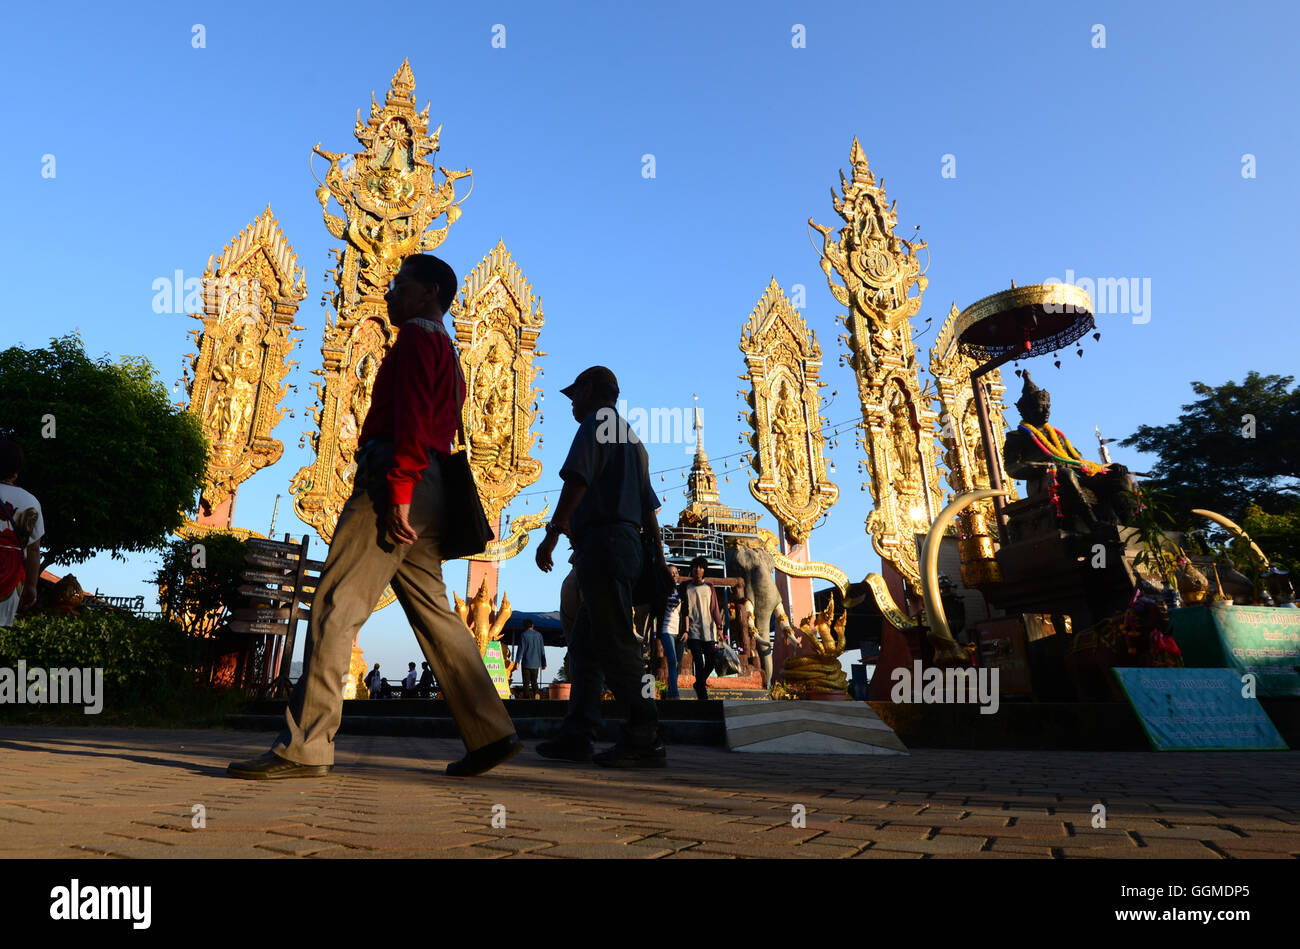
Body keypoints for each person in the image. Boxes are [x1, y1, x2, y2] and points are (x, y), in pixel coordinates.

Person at [228, 253, 522, 780]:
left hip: (395, 480)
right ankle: (492, 730)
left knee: (336, 605)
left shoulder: (414, 339)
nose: (388, 293)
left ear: (428, 292)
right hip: (432, 485)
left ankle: (307, 745)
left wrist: (399, 491)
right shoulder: (450, 351)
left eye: (399, 285)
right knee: (435, 612)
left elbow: (410, 417)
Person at [534, 366, 671, 767]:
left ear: (591, 390)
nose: (572, 403)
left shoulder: (597, 421)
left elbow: (576, 480)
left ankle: (645, 734)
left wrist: (553, 532)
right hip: (626, 545)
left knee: (617, 644)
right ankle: (578, 734)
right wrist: (659, 560)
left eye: (575, 393)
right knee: (586, 648)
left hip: (604, 543)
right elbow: (649, 509)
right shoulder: (632, 438)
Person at [0, 440, 42, 628]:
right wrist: (32, 586)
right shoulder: (30, 502)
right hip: (10, 581)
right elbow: (33, 550)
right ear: (16, 472)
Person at [680, 556, 724, 701]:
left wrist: (719, 627)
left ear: (704, 570)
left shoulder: (709, 586)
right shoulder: (686, 587)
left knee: (711, 661)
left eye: (700, 567)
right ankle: (702, 694)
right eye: (695, 567)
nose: (697, 570)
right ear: (691, 569)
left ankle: (698, 684)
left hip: (708, 630)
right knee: (698, 662)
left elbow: (715, 608)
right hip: (693, 630)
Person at [659, 565, 682, 699]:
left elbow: (685, 612)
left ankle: (671, 687)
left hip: (678, 631)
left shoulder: (680, 591)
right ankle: (674, 693)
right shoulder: (662, 591)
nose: (674, 575)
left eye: (676, 572)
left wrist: (685, 630)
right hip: (666, 629)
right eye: (671, 573)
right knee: (672, 660)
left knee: (678, 662)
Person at [516, 618, 546, 699]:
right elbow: (542, 650)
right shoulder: (539, 635)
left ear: (524, 626)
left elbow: (520, 650)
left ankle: (526, 698)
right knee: (534, 682)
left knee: (526, 683)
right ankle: (536, 695)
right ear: (532, 626)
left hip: (526, 663)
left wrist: (517, 662)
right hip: (536, 663)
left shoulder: (523, 635)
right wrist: (544, 663)